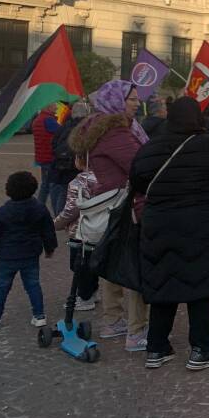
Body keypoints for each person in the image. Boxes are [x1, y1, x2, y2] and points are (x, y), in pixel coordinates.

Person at [129, 97, 209, 371]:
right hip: (199, 223)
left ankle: (156, 347)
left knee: (164, 281)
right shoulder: (207, 145)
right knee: (200, 286)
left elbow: (137, 180)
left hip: (159, 224)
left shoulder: (150, 147)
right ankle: (201, 348)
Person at [70, 79, 149, 350]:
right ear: (116, 100)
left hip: (106, 204)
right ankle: (136, 332)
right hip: (124, 207)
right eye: (132, 99)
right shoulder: (116, 132)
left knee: (112, 265)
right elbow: (140, 167)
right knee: (133, 266)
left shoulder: (95, 126)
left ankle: (112, 320)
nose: (138, 103)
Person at [0, 171, 57, 330]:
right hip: (30, 253)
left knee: (2, 287)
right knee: (33, 285)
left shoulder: (2, 212)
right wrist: (50, 248)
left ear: (9, 189)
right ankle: (39, 315)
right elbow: (48, 231)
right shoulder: (40, 209)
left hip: (7, 256)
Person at [52, 145, 99, 312]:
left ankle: (84, 297)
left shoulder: (77, 183)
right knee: (93, 264)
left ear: (80, 161)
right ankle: (93, 291)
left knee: (78, 265)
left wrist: (56, 224)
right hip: (99, 229)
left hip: (79, 231)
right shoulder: (106, 178)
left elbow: (70, 211)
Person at [49, 100, 90, 215]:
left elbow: (53, 143)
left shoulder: (63, 126)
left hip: (59, 163)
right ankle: (61, 216)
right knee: (67, 192)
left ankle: (58, 214)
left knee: (60, 190)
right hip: (73, 166)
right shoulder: (84, 128)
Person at [32, 102, 61, 207]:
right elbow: (62, 132)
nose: (57, 107)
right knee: (52, 185)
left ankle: (39, 206)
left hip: (42, 157)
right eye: (55, 105)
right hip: (49, 157)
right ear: (49, 107)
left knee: (45, 184)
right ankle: (49, 208)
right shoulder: (48, 120)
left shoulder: (38, 119)